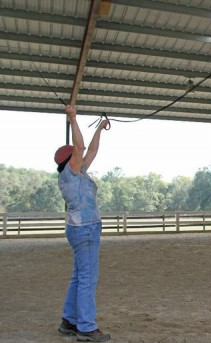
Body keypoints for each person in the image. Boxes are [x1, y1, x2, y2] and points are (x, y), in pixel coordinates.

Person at [55, 104, 111, 342]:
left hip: (82, 230)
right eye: (76, 155)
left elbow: (91, 151)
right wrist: (73, 118)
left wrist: (99, 128)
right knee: (88, 279)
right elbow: (81, 147)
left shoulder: (77, 173)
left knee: (79, 276)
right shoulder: (70, 174)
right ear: (69, 160)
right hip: (85, 231)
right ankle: (86, 327)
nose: (81, 155)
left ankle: (69, 320)